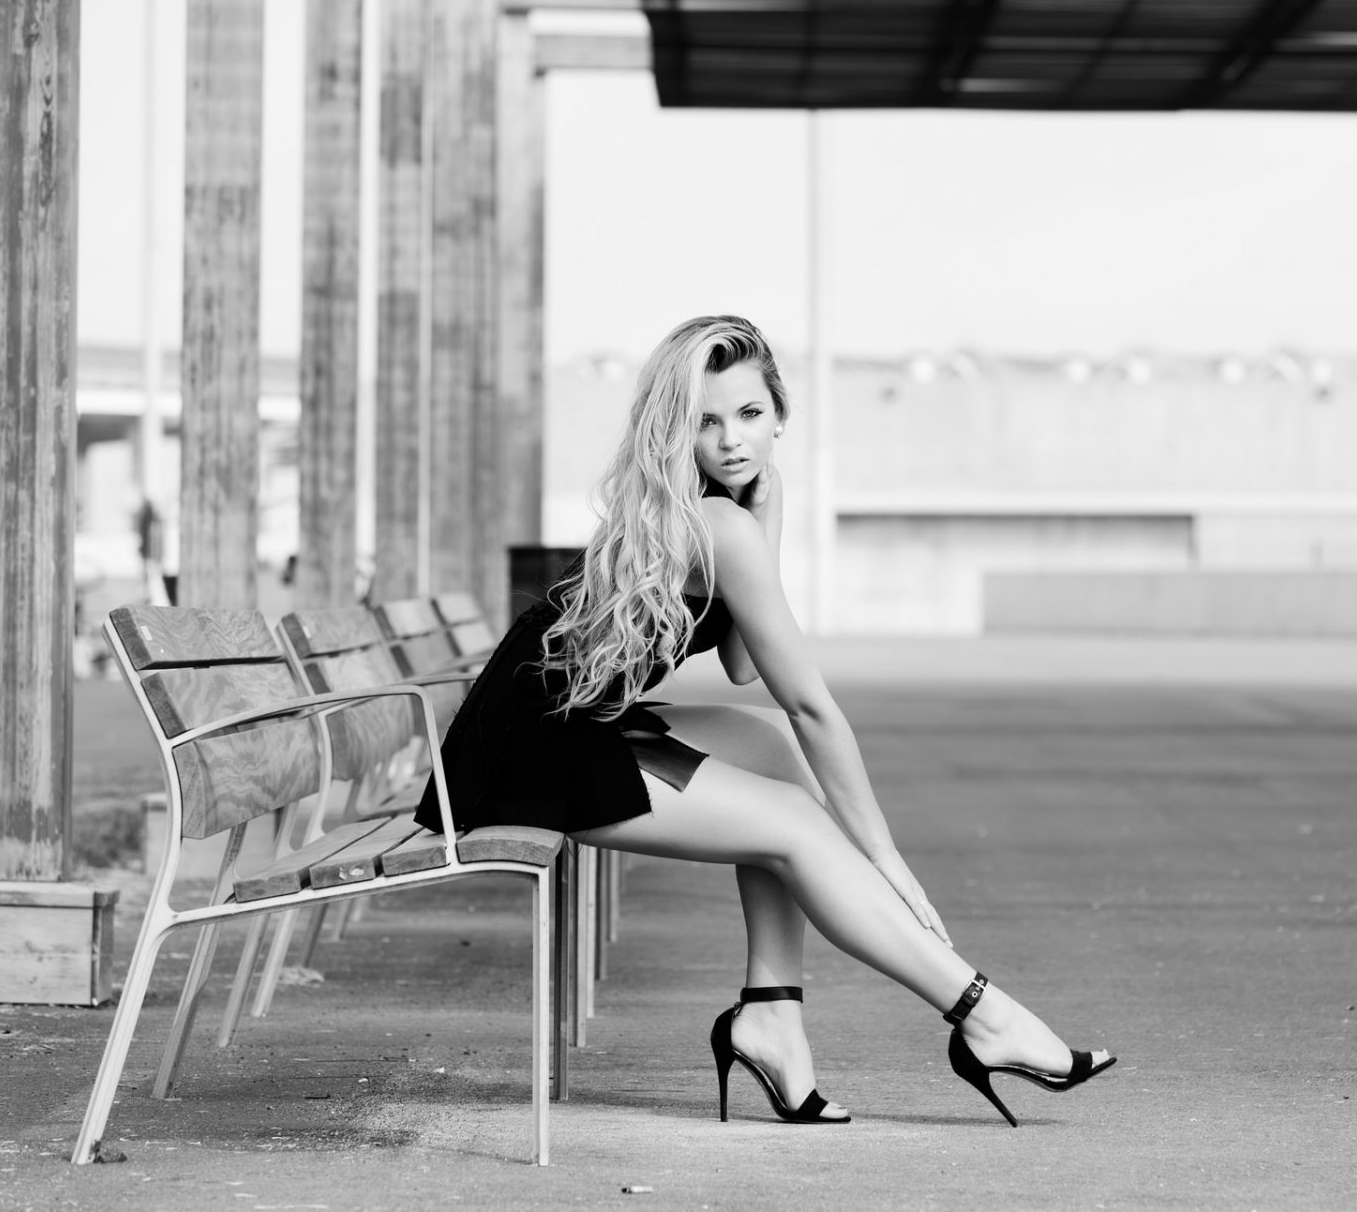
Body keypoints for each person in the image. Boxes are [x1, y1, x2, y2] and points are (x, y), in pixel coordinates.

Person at [414, 315, 1113, 1127]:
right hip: (528, 753)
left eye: (748, 415)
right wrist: (885, 854)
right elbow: (809, 701)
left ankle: (771, 1016)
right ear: (677, 433)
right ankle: (985, 1017)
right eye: (705, 422)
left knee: (766, 749)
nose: (731, 441)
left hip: (553, 727)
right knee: (795, 819)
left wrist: (767, 519)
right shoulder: (713, 524)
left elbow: (741, 665)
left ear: (779, 414)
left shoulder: (718, 515)